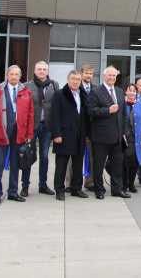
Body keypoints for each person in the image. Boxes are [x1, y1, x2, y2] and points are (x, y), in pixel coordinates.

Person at [0, 65, 33, 204]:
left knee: (16, 163)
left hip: (19, 132)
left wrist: (29, 133)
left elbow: (30, 114)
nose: (14, 77)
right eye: (11, 74)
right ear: (7, 76)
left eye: (16, 74)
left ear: (20, 76)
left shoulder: (26, 92)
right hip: (2, 131)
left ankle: (13, 191)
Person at [86, 66, 130, 200]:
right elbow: (91, 110)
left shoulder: (120, 92)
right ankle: (99, 190)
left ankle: (117, 189)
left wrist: (123, 132)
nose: (112, 77)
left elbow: (123, 114)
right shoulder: (96, 92)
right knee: (98, 165)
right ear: (104, 76)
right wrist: (107, 110)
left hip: (117, 137)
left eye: (114, 75)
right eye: (109, 75)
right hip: (101, 136)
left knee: (117, 165)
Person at [20, 61, 59, 197]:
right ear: (35, 71)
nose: (42, 71)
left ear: (47, 72)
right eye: (39, 69)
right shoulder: (26, 86)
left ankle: (42, 184)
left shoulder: (54, 85)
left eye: (44, 69)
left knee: (44, 156)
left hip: (47, 126)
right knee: (28, 155)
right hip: (32, 126)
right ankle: (25, 185)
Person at [51, 70, 89, 200]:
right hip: (64, 134)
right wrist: (57, 134)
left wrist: (87, 133)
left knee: (78, 164)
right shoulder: (60, 94)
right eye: (73, 79)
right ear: (68, 79)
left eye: (78, 79)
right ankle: (59, 190)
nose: (75, 81)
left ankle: (76, 188)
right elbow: (54, 115)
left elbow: (86, 116)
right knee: (61, 165)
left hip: (79, 135)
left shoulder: (83, 94)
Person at [66, 64, 95, 193]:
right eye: (86, 73)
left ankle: (90, 182)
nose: (88, 76)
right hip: (76, 128)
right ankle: (69, 183)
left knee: (92, 157)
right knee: (73, 158)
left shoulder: (96, 89)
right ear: (82, 74)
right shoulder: (75, 88)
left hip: (92, 128)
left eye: (90, 73)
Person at [123, 83, 141, 194]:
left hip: (137, 138)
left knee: (134, 161)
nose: (132, 93)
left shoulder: (140, 105)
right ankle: (124, 184)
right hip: (125, 137)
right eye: (130, 91)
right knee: (125, 161)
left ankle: (131, 184)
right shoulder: (121, 104)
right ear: (126, 92)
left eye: (134, 91)